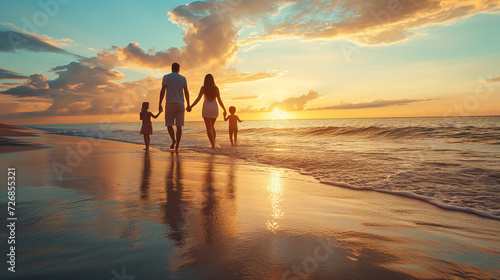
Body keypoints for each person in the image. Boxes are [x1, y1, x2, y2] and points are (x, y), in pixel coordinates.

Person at [188, 74, 226, 149]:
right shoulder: (216, 89)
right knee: (212, 127)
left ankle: (213, 145)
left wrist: (190, 106)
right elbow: (219, 100)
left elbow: (198, 99)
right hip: (214, 108)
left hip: (206, 108)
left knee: (209, 128)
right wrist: (224, 109)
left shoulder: (203, 88)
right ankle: (214, 143)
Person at [159, 62, 191, 150]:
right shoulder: (183, 78)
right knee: (179, 126)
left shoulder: (166, 77)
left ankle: (173, 140)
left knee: (169, 124)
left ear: (171, 68)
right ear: (179, 69)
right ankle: (177, 146)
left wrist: (159, 103)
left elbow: (163, 90)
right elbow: (186, 92)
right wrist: (188, 104)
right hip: (180, 104)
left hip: (170, 103)